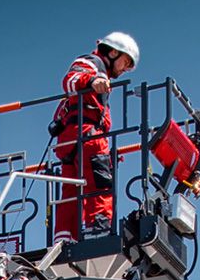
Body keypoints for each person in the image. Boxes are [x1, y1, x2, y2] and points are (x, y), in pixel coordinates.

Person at [50, 32, 139, 243]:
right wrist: (93, 79)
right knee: (100, 184)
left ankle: (64, 238)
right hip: (87, 136)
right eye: (125, 62)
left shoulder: (99, 71)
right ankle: (97, 230)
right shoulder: (92, 63)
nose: (124, 69)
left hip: (72, 139)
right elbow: (70, 80)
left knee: (71, 191)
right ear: (114, 52)